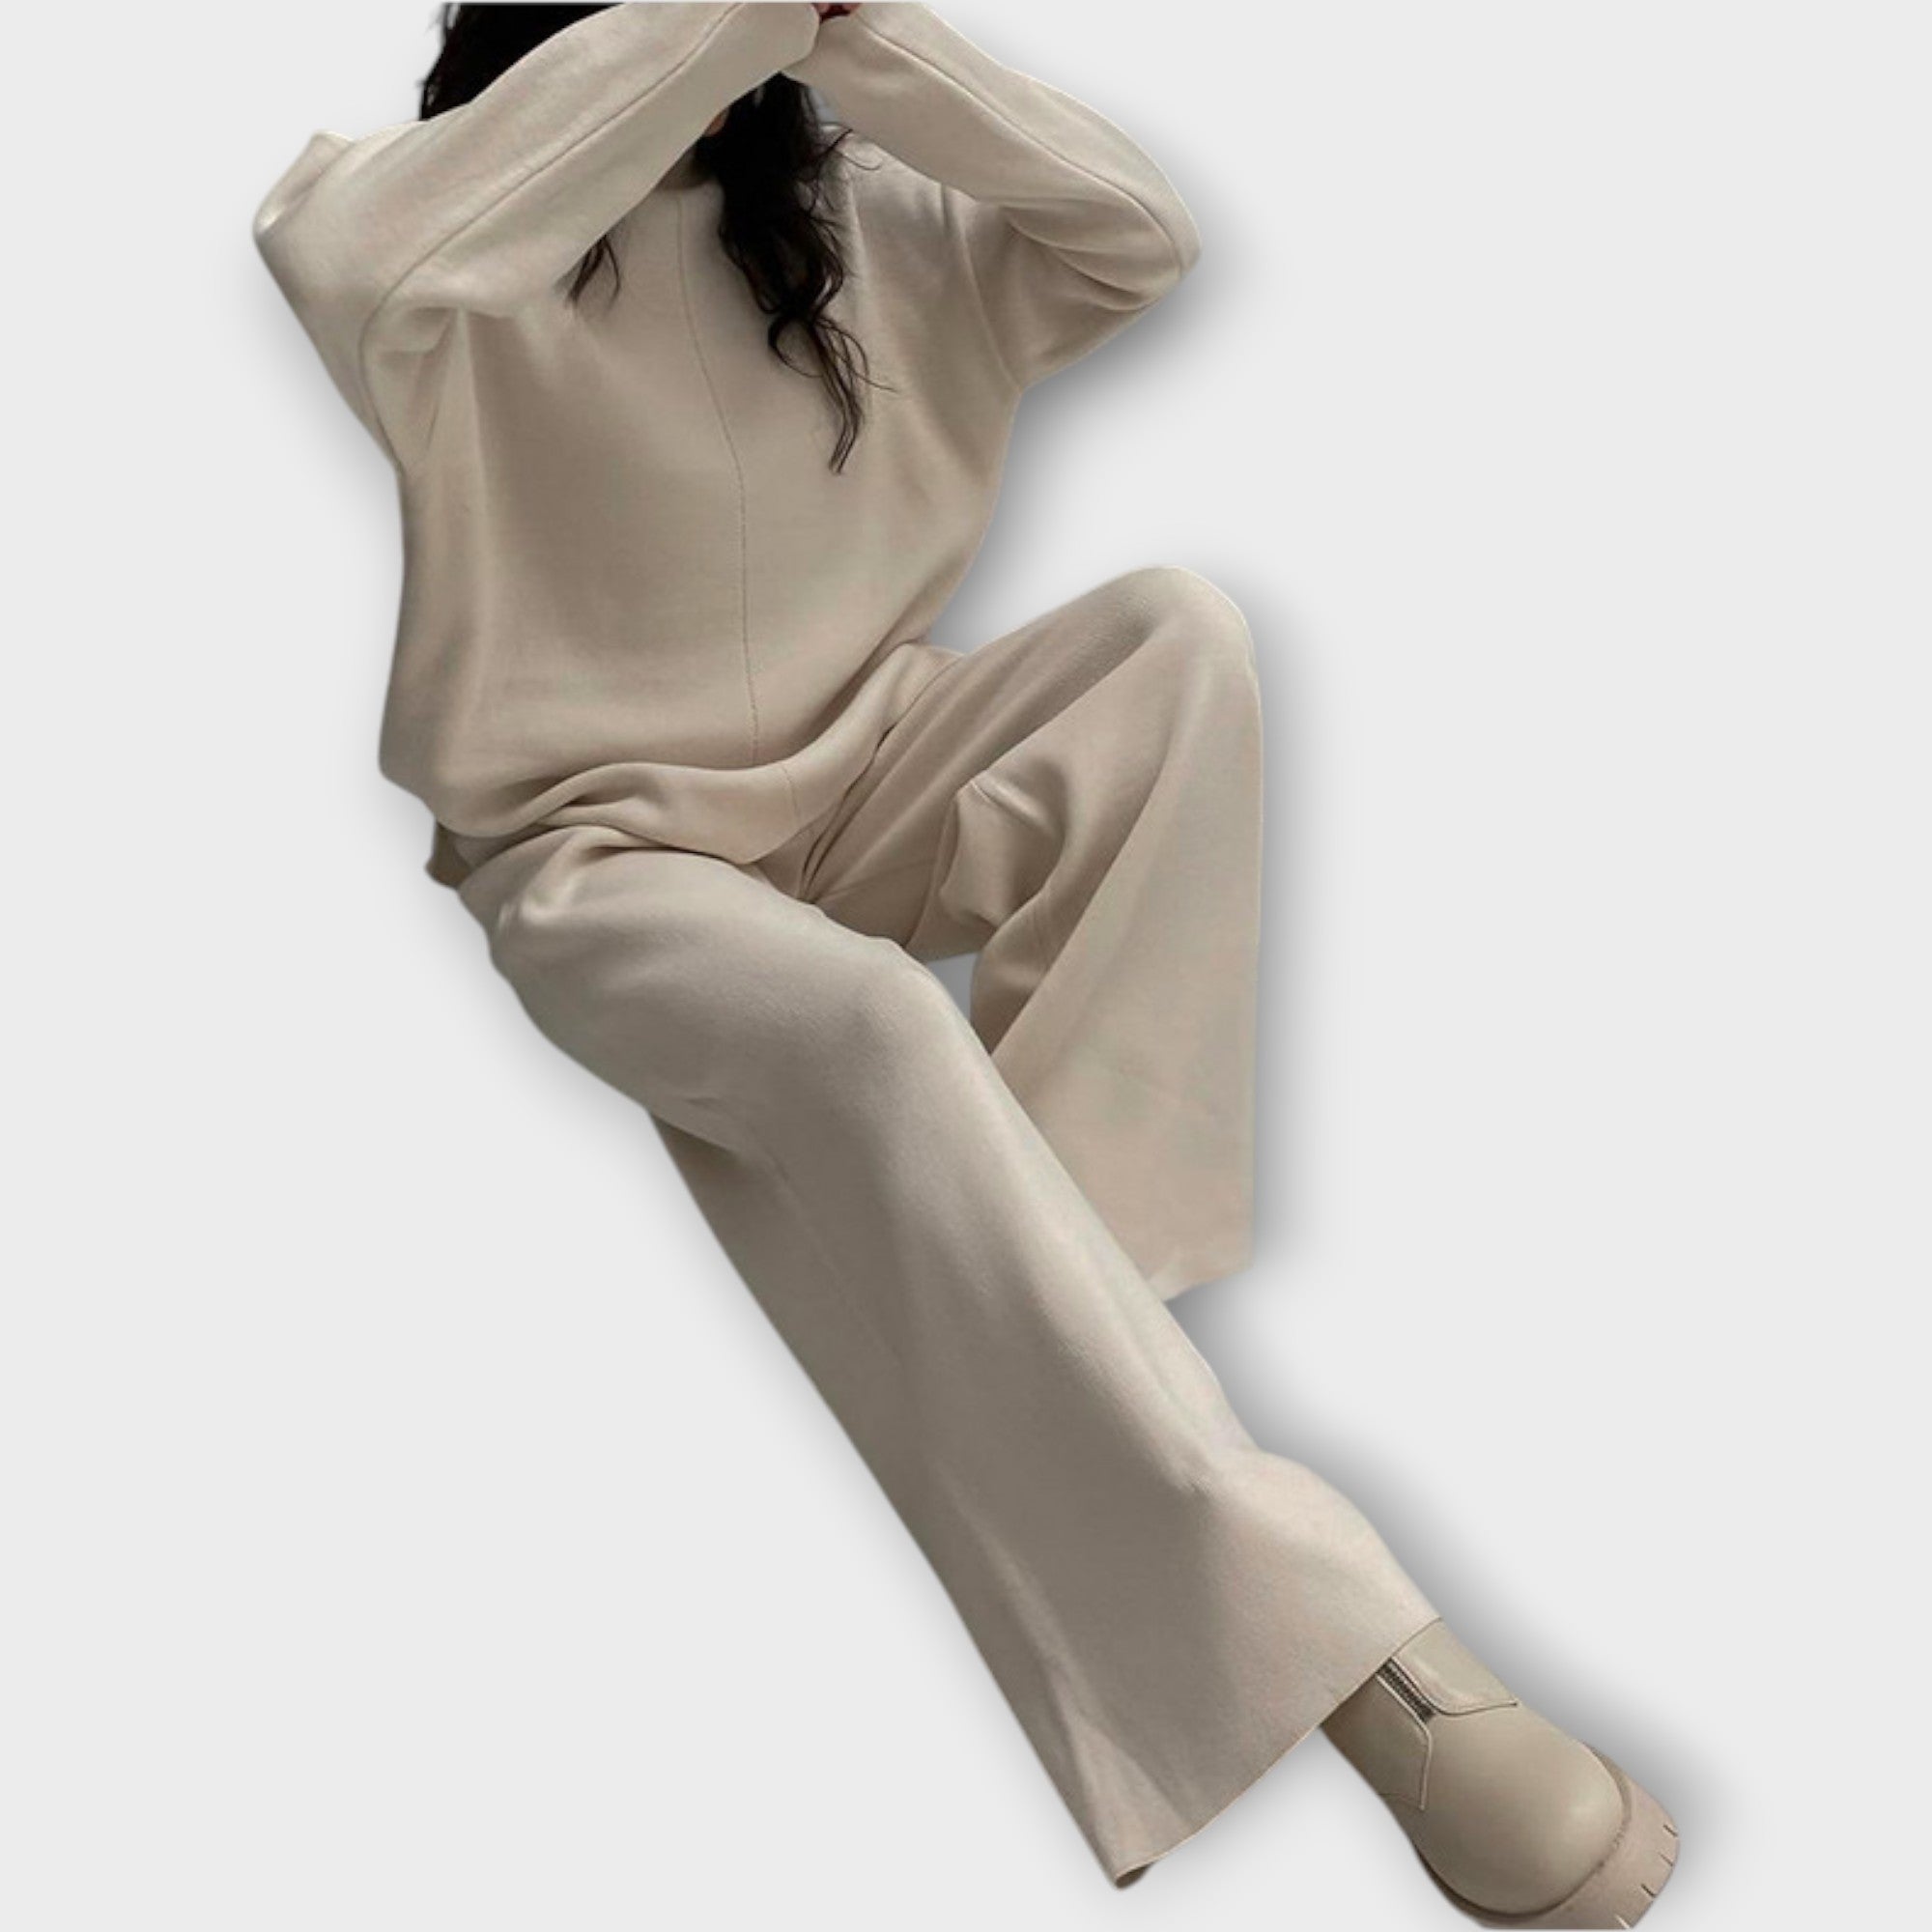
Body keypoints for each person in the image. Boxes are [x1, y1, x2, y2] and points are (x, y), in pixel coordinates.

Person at [251, 4, 1679, 1918]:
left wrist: (868, 40)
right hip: (596, 856)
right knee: (863, 1022)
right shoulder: (436, 249)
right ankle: (1357, 1664)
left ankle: (1073, 1298)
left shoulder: (862, 218)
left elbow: (1139, 235)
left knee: (1173, 640)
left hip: (872, 773)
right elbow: (356, 254)